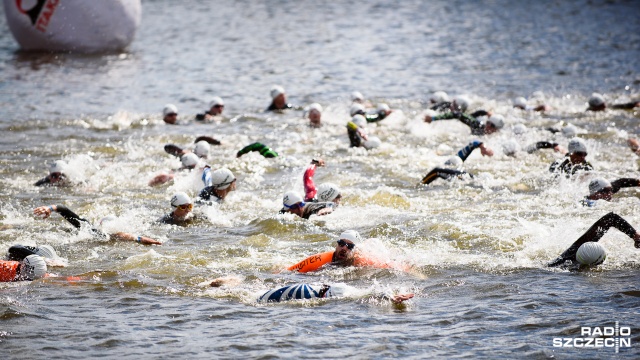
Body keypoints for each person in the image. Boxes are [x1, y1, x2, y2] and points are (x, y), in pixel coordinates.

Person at [33, 205, 161, 245]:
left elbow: (138, 238)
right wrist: (50, 208)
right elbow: (65, 210)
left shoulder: (120, 235)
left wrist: (156, 243)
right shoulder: (90, 230)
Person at [548, 212, 640, 268]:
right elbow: (611, 218)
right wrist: (634, 235)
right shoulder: (566, 261)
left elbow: (611, 218)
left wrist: (635, 235)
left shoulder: (561, 263)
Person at [257, 282, 414, 304]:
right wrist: (391, 297)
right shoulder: (343, 291)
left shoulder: (343, 290)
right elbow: (371, 292)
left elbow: (371, 291)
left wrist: (391, 296)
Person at [420, 140, 493, 185]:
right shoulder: (469, 176)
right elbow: (472, 144)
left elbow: (437, 171)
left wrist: (421, 183)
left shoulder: (461, 175)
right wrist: (482, 146)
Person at [425, 107, 504, 135]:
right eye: (488, 123)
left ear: (497, 130)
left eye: (493, 126)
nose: (489, 127)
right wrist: (434, 118)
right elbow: (457, 114)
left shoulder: (497, 136)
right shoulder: (477, 126)